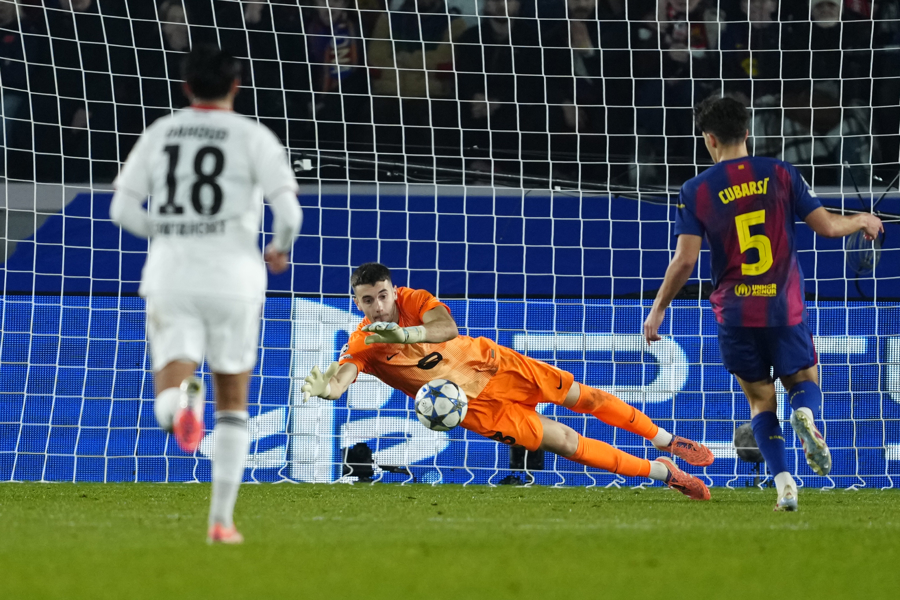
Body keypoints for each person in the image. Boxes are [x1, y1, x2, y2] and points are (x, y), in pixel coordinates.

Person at [643, 96, 883, 511]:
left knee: (759, 400)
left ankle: (785, 484)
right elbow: (826, 227)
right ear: (748, 134)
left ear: (710, 139)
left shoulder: (696, 189)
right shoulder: (781, 173)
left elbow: (684, 261)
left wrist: (659, 308)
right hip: (782, 307)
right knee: (804, 382)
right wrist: (861, 220)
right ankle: (805, 415)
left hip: (736, 313)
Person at [302, 262, 714, 501]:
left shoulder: (413, 299)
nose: (379, 305)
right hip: (475, 408)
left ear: (394, 290)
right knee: (566, 442)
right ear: (356, 303)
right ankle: (665, 474)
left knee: (583, 397)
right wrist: (329, 390)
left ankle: (667, 441)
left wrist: (407, 335)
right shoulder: (364, 343)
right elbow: (343, 378)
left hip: (494, 365)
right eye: (368, 300)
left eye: (383, 295)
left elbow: (446, 328)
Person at [110, 45, 302, 543]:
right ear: (236, 86)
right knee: (233, 401)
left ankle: (179, 406)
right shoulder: (254, 137)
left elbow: (122, 211)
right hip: (235, 277)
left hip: (172, 273)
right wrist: (278, 249)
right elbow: (291, 215)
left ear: (185, 86)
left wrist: (170, 230)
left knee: (168, 387)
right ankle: (220, 521)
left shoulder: (162, 132)